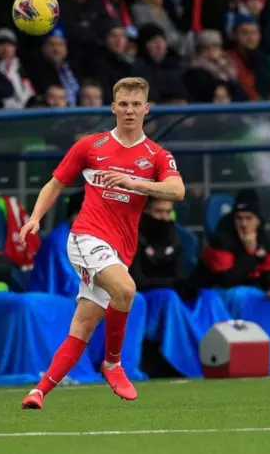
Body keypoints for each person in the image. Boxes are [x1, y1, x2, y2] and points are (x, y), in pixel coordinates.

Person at [18, 77, 185, 410]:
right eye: (123, 104)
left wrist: (134, 182)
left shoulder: (156, 155)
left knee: (83, 324)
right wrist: (35, 218)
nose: (129, 110)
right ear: (113, 108)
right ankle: (112, 363)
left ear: (146, 109)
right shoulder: (90, 146)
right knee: (126, 290)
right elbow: (55, 184)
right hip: (85, 237)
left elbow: (177, 191)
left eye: (136, 104)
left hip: (121, 249)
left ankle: (38, 391)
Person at [130, 198, 184, 292]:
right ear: (146, 211)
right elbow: (136, 279)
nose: (164, 217)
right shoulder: (134, 237)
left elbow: (179, 276)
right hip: (141, 293)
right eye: (158, 211)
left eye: (168, 212)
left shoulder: (174, 236)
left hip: (171, 291)